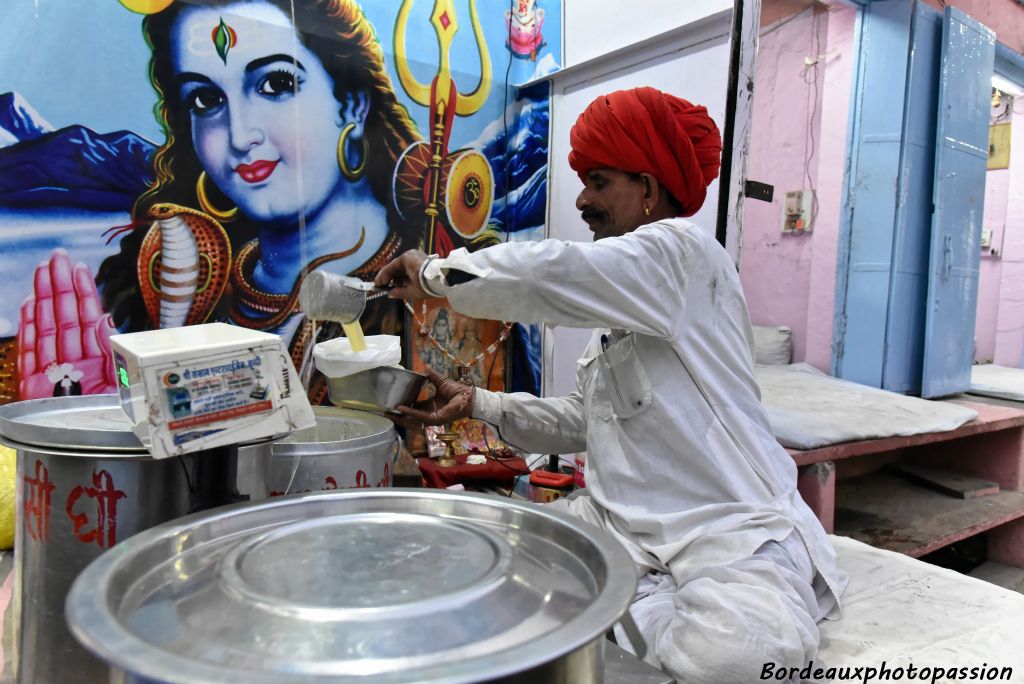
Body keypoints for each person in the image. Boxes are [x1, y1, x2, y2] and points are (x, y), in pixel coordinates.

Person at [376, 87, 847, 683]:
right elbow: (585, 418)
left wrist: (436, 274)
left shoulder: (684, 253)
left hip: (725, 530)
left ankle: (624, 609)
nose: (583, 200)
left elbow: (555, 273)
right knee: (492, 568)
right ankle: (632, 606)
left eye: (599, 182)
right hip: (623, 527)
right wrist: (481, 403)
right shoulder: (624, 312)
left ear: (649, 191)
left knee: (738, 658)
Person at [18, 0, 421, 402]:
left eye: (276, 84)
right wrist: (104, 405)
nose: (239, 135)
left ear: (351, 102)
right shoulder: (180, 284)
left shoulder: (424, 291)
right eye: (205, 100)